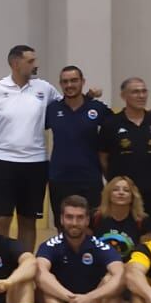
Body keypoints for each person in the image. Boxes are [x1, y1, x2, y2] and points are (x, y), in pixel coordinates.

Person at [0, 44, 61, 252]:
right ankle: (0, 265)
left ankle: (24, 266)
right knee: (2, 219)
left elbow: (67, 107)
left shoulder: (45, 88)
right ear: (15, 63)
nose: (36, 65)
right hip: (2, 162)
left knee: (28, 220)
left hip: (35, 163)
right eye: (30, 61)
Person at [34, 195, 125, 303]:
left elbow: (120, 275)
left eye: (79, 217)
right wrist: (73, 300)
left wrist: (89, 298)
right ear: (61, 219)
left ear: (87, 220)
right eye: (69, 217)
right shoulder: (50, 245)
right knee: (41, 282)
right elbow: (40, 274)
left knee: (113, 281)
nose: (74, 223)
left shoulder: (99, 246)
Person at [45, 64, 109, 219]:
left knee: (91, 224)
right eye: (65, 82)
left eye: (74, 80)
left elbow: (120, 123)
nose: (69, 85)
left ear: (82, 81)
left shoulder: (97, 108)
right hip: (59, 178)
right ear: (60, 84)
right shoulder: (52, 109)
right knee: (63, 225)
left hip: (90, 178)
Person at [101, 78, 151, 222]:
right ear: (123, 96)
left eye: (144, 91)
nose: (141, 95)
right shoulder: (111, 123)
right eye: (135, 92)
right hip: (123, 193)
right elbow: (103, 158)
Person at [92, 175, 151, 260]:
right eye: (115, 189)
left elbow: (144, 255)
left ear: (132, 196)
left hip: (130, 268)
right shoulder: (96, 217)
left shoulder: (142, 220)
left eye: (126, 190)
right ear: (108, 195)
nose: (121, 193)